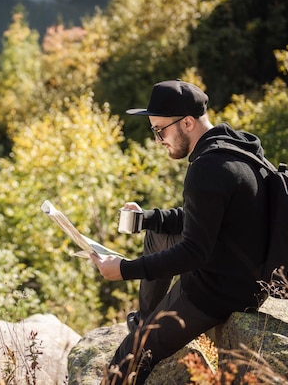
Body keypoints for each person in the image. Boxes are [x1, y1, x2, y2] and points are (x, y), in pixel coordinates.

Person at [90, 79, 270, 385]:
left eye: (160, 130)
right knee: (156, 235)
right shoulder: (234, 147)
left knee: (124, 361)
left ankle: (145, 336)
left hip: (221, 287)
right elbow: (200, 218)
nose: (158, 140)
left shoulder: (207, 168)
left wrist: (124, 269)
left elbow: (193, 252)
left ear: (187, 122)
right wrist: (147, 218)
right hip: (234, 265)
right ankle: (148, 322)